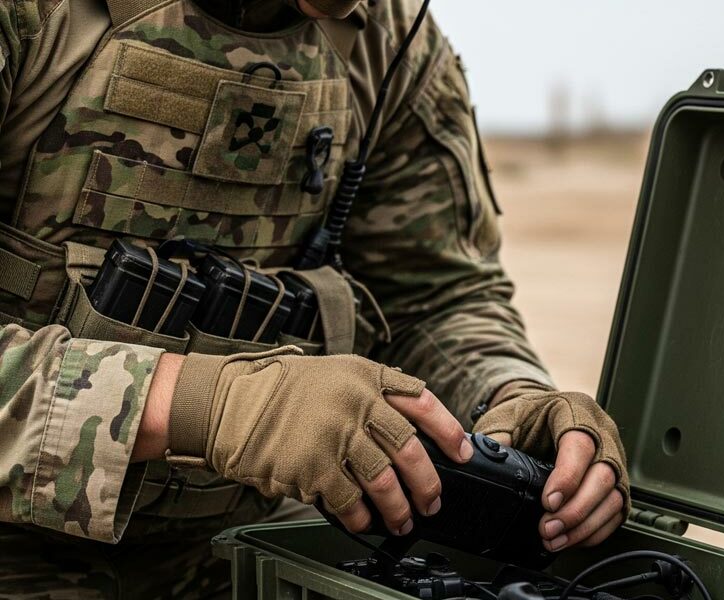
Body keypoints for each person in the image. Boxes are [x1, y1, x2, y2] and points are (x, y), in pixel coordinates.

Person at [0, 0, 629, 597]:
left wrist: (510, 397)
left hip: (240, 545)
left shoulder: (388, 41)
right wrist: (208, 404)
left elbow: (435, 296)